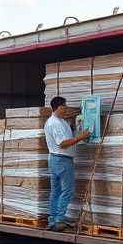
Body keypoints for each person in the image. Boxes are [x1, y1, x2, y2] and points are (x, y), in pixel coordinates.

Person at [44, 96, 90, 231]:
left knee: (56, 191)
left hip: (55, 159)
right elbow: (63, 143)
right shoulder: (55, 123)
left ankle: (52, 220)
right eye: (64, 106)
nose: (66, 108)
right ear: (57, 107)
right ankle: (59, 220)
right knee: (67, 190)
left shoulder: (59, 121)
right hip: (62, 159)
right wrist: (80, 137)